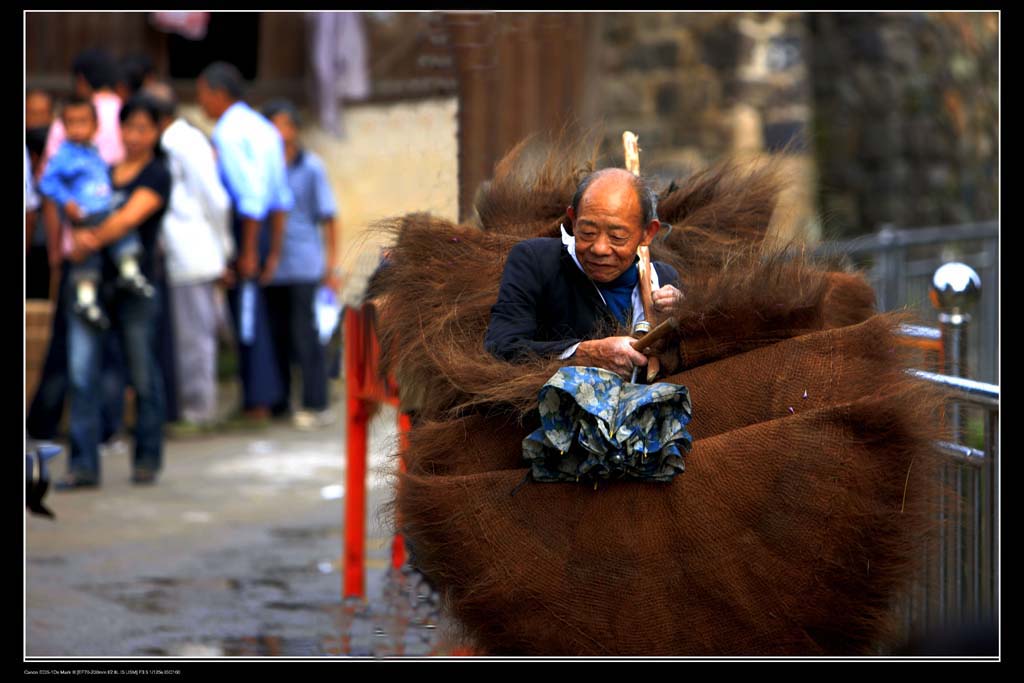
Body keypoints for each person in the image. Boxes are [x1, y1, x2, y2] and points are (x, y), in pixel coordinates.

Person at [59, 94, 171, 489]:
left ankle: (146, 459)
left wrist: (86, 239)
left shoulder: (157, 174)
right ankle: (84, 465)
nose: (135, 135)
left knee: (142, 376)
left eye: (144, 128)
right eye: (129, 127)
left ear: (156, 132)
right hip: (92, 283)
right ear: (118, 130)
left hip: (135, 289)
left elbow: (126, 219)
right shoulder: (103, 170)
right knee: (82, 375)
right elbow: (72, 204)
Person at [484, 168, 684, 379]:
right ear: (573, 219)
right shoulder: (535, 261)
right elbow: (501, 347)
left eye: (617, 237)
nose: (599, 249)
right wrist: (584, 354)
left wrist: (686, 313)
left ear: (648, 233)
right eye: (587, 232)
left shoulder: (663, 279)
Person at [195, 62, 294, 424]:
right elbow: (281, 197)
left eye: (202, 94)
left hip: (248, 226)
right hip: (266, 227)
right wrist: (274, 250)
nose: (201, 102)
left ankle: (258, 400)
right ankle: (269, 396)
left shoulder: (229, 131)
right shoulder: (263, 128)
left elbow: (251, 196)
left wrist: (250, 250)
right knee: (263, 314)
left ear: (218, 94)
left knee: (249, 316)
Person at [145, 81, 234, 432]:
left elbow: (216, 199)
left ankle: (198, 409)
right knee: (192, 332)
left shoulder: (180, 142)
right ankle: (192, 405)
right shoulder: (175, 142)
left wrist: (225, 249)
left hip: (195, 252)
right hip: (188, 253)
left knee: (196, 335)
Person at [38, 97, 154, 330]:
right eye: (71, 123)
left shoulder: (94, 152)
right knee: (89, 255)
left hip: (98, 209)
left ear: (96, 126)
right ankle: (88, 298)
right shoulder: (64, 155)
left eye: (83, 122)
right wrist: (67, 201)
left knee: (102, 246)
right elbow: (47, 182)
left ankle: (127, 273)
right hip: (84, 214)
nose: (78, 129)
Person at [262, 99, 340, 428]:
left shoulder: (311, 167)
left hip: (305, 260)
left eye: (286, 125)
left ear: (295, 130)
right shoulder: (263, 167)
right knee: (276, 334)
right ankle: (279, 401)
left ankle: (315, 401)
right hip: (272, 265)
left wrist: (332, 265)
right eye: (274, 126)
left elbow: (329, 217)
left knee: (305, 334)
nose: (281, 133)